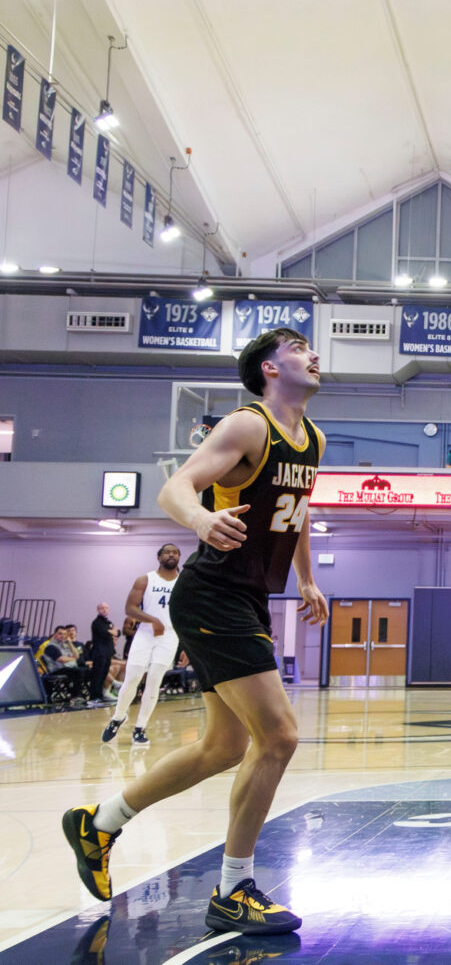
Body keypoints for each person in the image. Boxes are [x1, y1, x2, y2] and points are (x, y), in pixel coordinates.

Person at [64, 328, 327, 934]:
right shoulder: (247, 425)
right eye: (299, 348)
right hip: (213, 593)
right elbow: (173, 487)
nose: (313, 356)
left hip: (249, 597)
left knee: (226, 747)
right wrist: (201, 517)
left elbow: (298, 512)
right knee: (280, 736)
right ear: (269, 367)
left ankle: (98, 822)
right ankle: (234, 889)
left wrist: (307, 578)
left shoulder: (310, 438)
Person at [102, 544, 182, 748]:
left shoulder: (184, 583)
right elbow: (130, 608)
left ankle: (140, 728)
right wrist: (153, 620)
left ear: (179, 557)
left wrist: (187, 647)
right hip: (145, 633)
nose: (171, 554)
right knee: (133, 677)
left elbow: (190, 615)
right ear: (159, 557)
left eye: (175, 552)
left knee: (154, 680)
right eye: (167, 551)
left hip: (170, 635)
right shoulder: (145, 579)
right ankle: (118, 717)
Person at [87, 603, 117, 703]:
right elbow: (104, 632)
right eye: (102, 608)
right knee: (97, 675)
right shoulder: (97, 622)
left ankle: (100, 696)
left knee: (103, 674)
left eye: (106, 608)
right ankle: (94, 697)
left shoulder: (108, 622)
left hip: (107, 652)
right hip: (99, 652)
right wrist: (111, 631)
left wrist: (112, 631)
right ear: (98, 610)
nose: (104, 610)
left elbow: (117, 632)